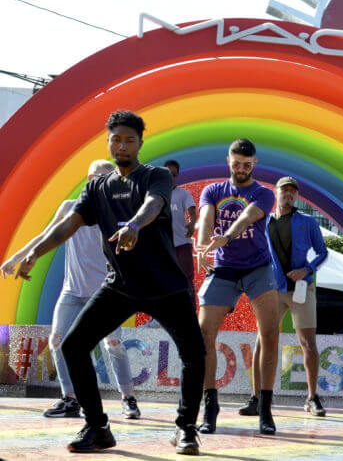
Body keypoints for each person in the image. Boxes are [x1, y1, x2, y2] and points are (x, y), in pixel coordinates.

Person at [10, 111, 205, 455]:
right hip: (121, 285)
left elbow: (153, 203)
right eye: (116, 139)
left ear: (140, 143)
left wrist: (133, 225)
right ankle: (98, 427)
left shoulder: (155, 176)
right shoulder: (97, 187)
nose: (123, 145)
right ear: (109, 142)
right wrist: (35, 253)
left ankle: (186, 428)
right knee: (72, 346)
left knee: (194, 355)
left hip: (167, 286)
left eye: (130, 139)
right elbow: (68, 224)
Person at [1, 160, 141, 421]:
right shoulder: (70, 208)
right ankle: (70, 399)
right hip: (73, 293)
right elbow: (44, 237)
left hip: (105, 293)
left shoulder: (116, 212)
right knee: (57, 341)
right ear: (90, 180)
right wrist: (17, 259)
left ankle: (128, 398)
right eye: (100, 178)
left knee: (113, 344)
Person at [196, 138, 279, 435]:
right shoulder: (213, 190)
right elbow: (206, 216)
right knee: (204, 331)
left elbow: (246, 217)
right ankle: (210, 405)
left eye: (247, 164)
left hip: (258, 267)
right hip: (224, 268)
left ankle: (265, 408)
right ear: (228, 162)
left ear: (254, 164)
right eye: (236, 164)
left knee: (269, 333)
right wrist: (203, 243)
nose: (241, 169)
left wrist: (226, 237)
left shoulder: (264, 193)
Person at [240, 176, 329, 417]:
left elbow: (322, 252)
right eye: (284, 191)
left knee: (308, 343)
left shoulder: (307, 221)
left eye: (292, 192)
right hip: (271, 290)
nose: (288, 195)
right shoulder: (262, 220)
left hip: (302, 288)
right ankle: (256, 398)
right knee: (262, 341)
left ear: (296, 195)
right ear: (276, 193)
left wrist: (307, 270)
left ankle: (312, 397)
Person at [164, 160, 197, 298]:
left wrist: (192, 223)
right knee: (163, 281)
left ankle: (190, 315)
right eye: (167, 174)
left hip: (182, 244)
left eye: (173, 174)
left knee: (186, 280)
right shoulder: (154, 194)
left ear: (177, 176)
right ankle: (161, 318)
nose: (170, 177)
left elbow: (193, 212)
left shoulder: (183, 194)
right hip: (163, 246)